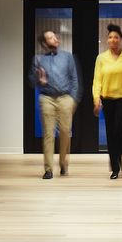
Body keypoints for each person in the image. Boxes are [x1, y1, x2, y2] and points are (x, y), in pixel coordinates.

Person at [92, 23, 122, 180]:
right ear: (107, 40)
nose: (113, 40)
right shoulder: (101, 58)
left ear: (120, 40)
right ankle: (115, 168)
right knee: (110, 133)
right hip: (107, 100)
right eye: (110, 37)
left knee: (119, 131)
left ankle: (119, 157)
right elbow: (97, 80)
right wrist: (96, 99)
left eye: (116, 37)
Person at [31, 29, 79, 179]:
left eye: (55, 35)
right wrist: (39, 79)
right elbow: (31, 80)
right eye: (51, 37)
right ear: (45, 43)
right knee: (48, 134)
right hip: (47, 99)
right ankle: (48, 169)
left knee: (65, 132)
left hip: (65, 98)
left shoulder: (67, 57)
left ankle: (63, 164)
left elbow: (74, 79)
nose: (55, 38)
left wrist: (73, 99)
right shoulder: (38, 59)